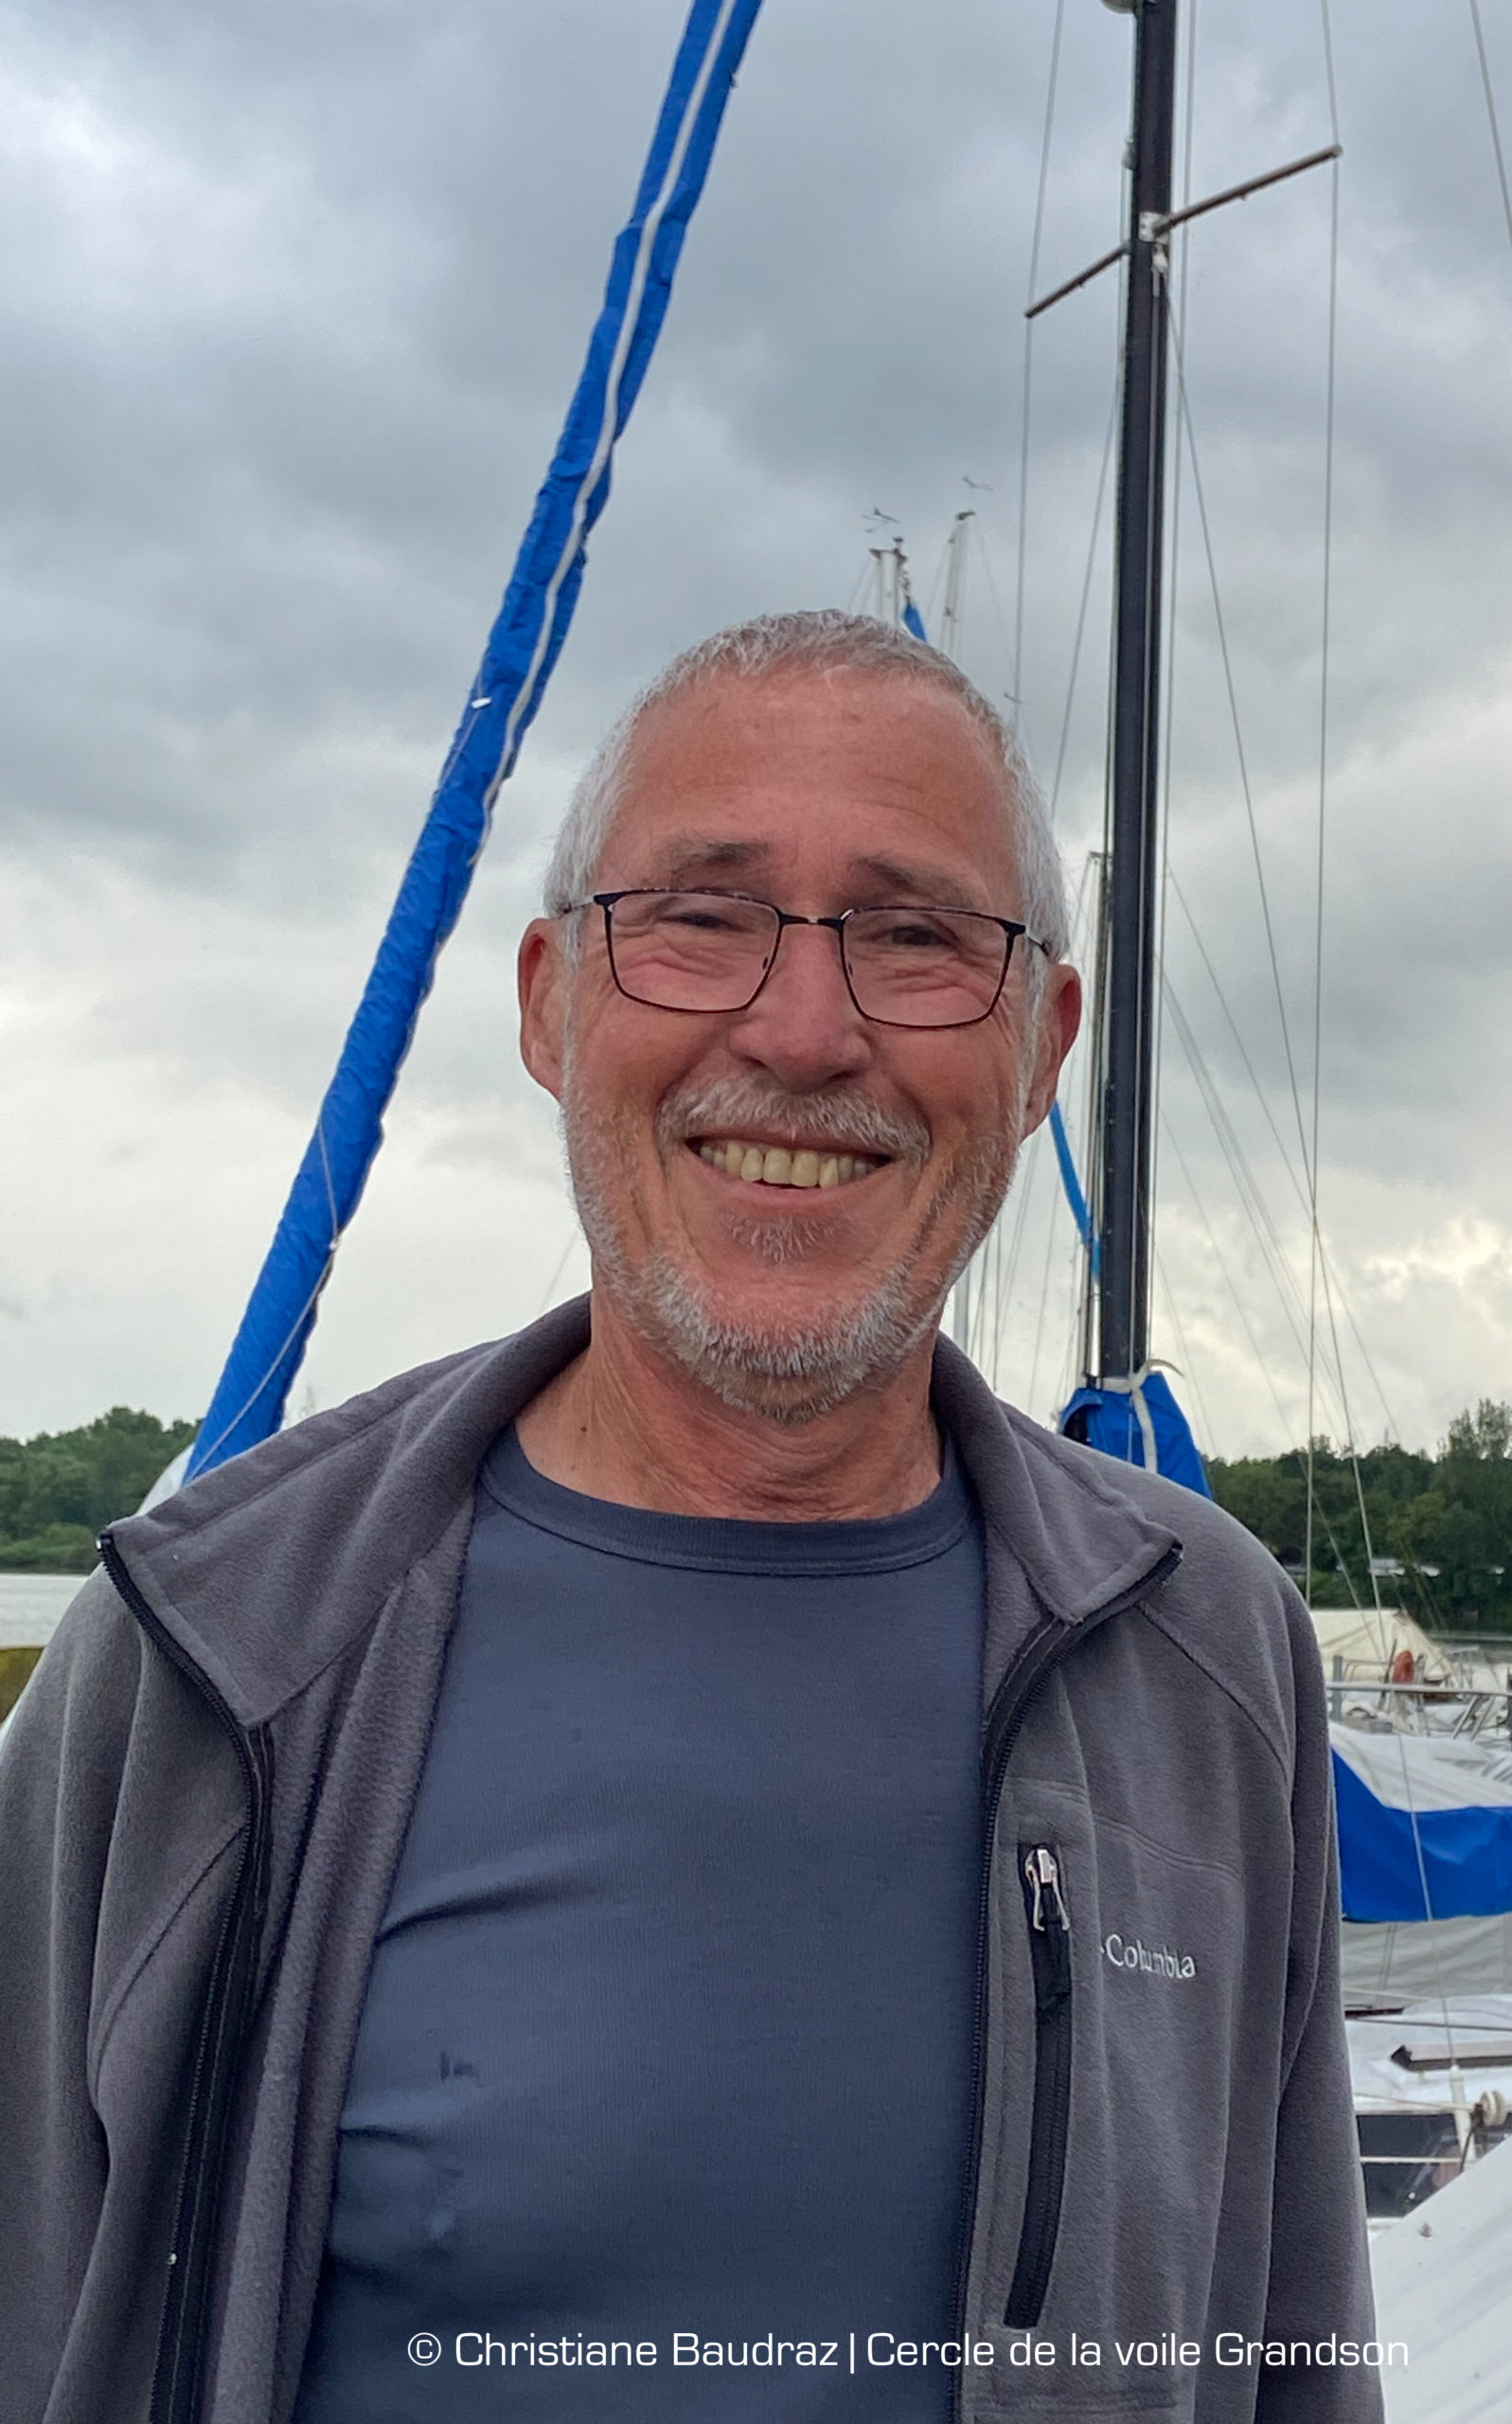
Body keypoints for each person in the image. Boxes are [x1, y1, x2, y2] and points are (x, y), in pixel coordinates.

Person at [0, 612, 1381, 2424]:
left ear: (1045, 1043)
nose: (803, 1033)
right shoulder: (208, 1654)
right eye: (700, 918)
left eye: (916, 937)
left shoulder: (1210, 1655)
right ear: (549, 1005)